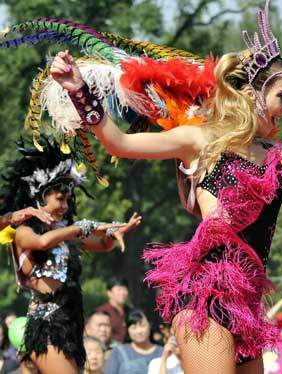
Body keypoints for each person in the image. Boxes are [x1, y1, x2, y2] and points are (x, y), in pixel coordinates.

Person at [47, 0, 282, 371]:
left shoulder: (281, 154)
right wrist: (79, 90)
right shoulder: (203, 141)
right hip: (206, 298)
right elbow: (120, 143)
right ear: (252, 94)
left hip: (247, 306)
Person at [1, 137, 141, 374]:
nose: (65, 206)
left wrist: (112, 232)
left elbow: (102, 245)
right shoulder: (23, 232)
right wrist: (82, 226)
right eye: (59, 199)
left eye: (67, 200)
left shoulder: (62, 233)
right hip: (46, 326)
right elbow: (43, 242)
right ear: (39, 196)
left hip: (70, 324)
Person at [105, 309, 162, 374]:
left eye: (142, 326)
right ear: (127, 329)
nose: (139, 331)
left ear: (150, 325)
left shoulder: (163, 352)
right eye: (134, 327)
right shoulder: (118, 353)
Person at [96, 277, 130, 343]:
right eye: (119, 289)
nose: (122, 293)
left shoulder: (130, 311)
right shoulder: (101, 312)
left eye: (125, 289)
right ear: (109, 293)